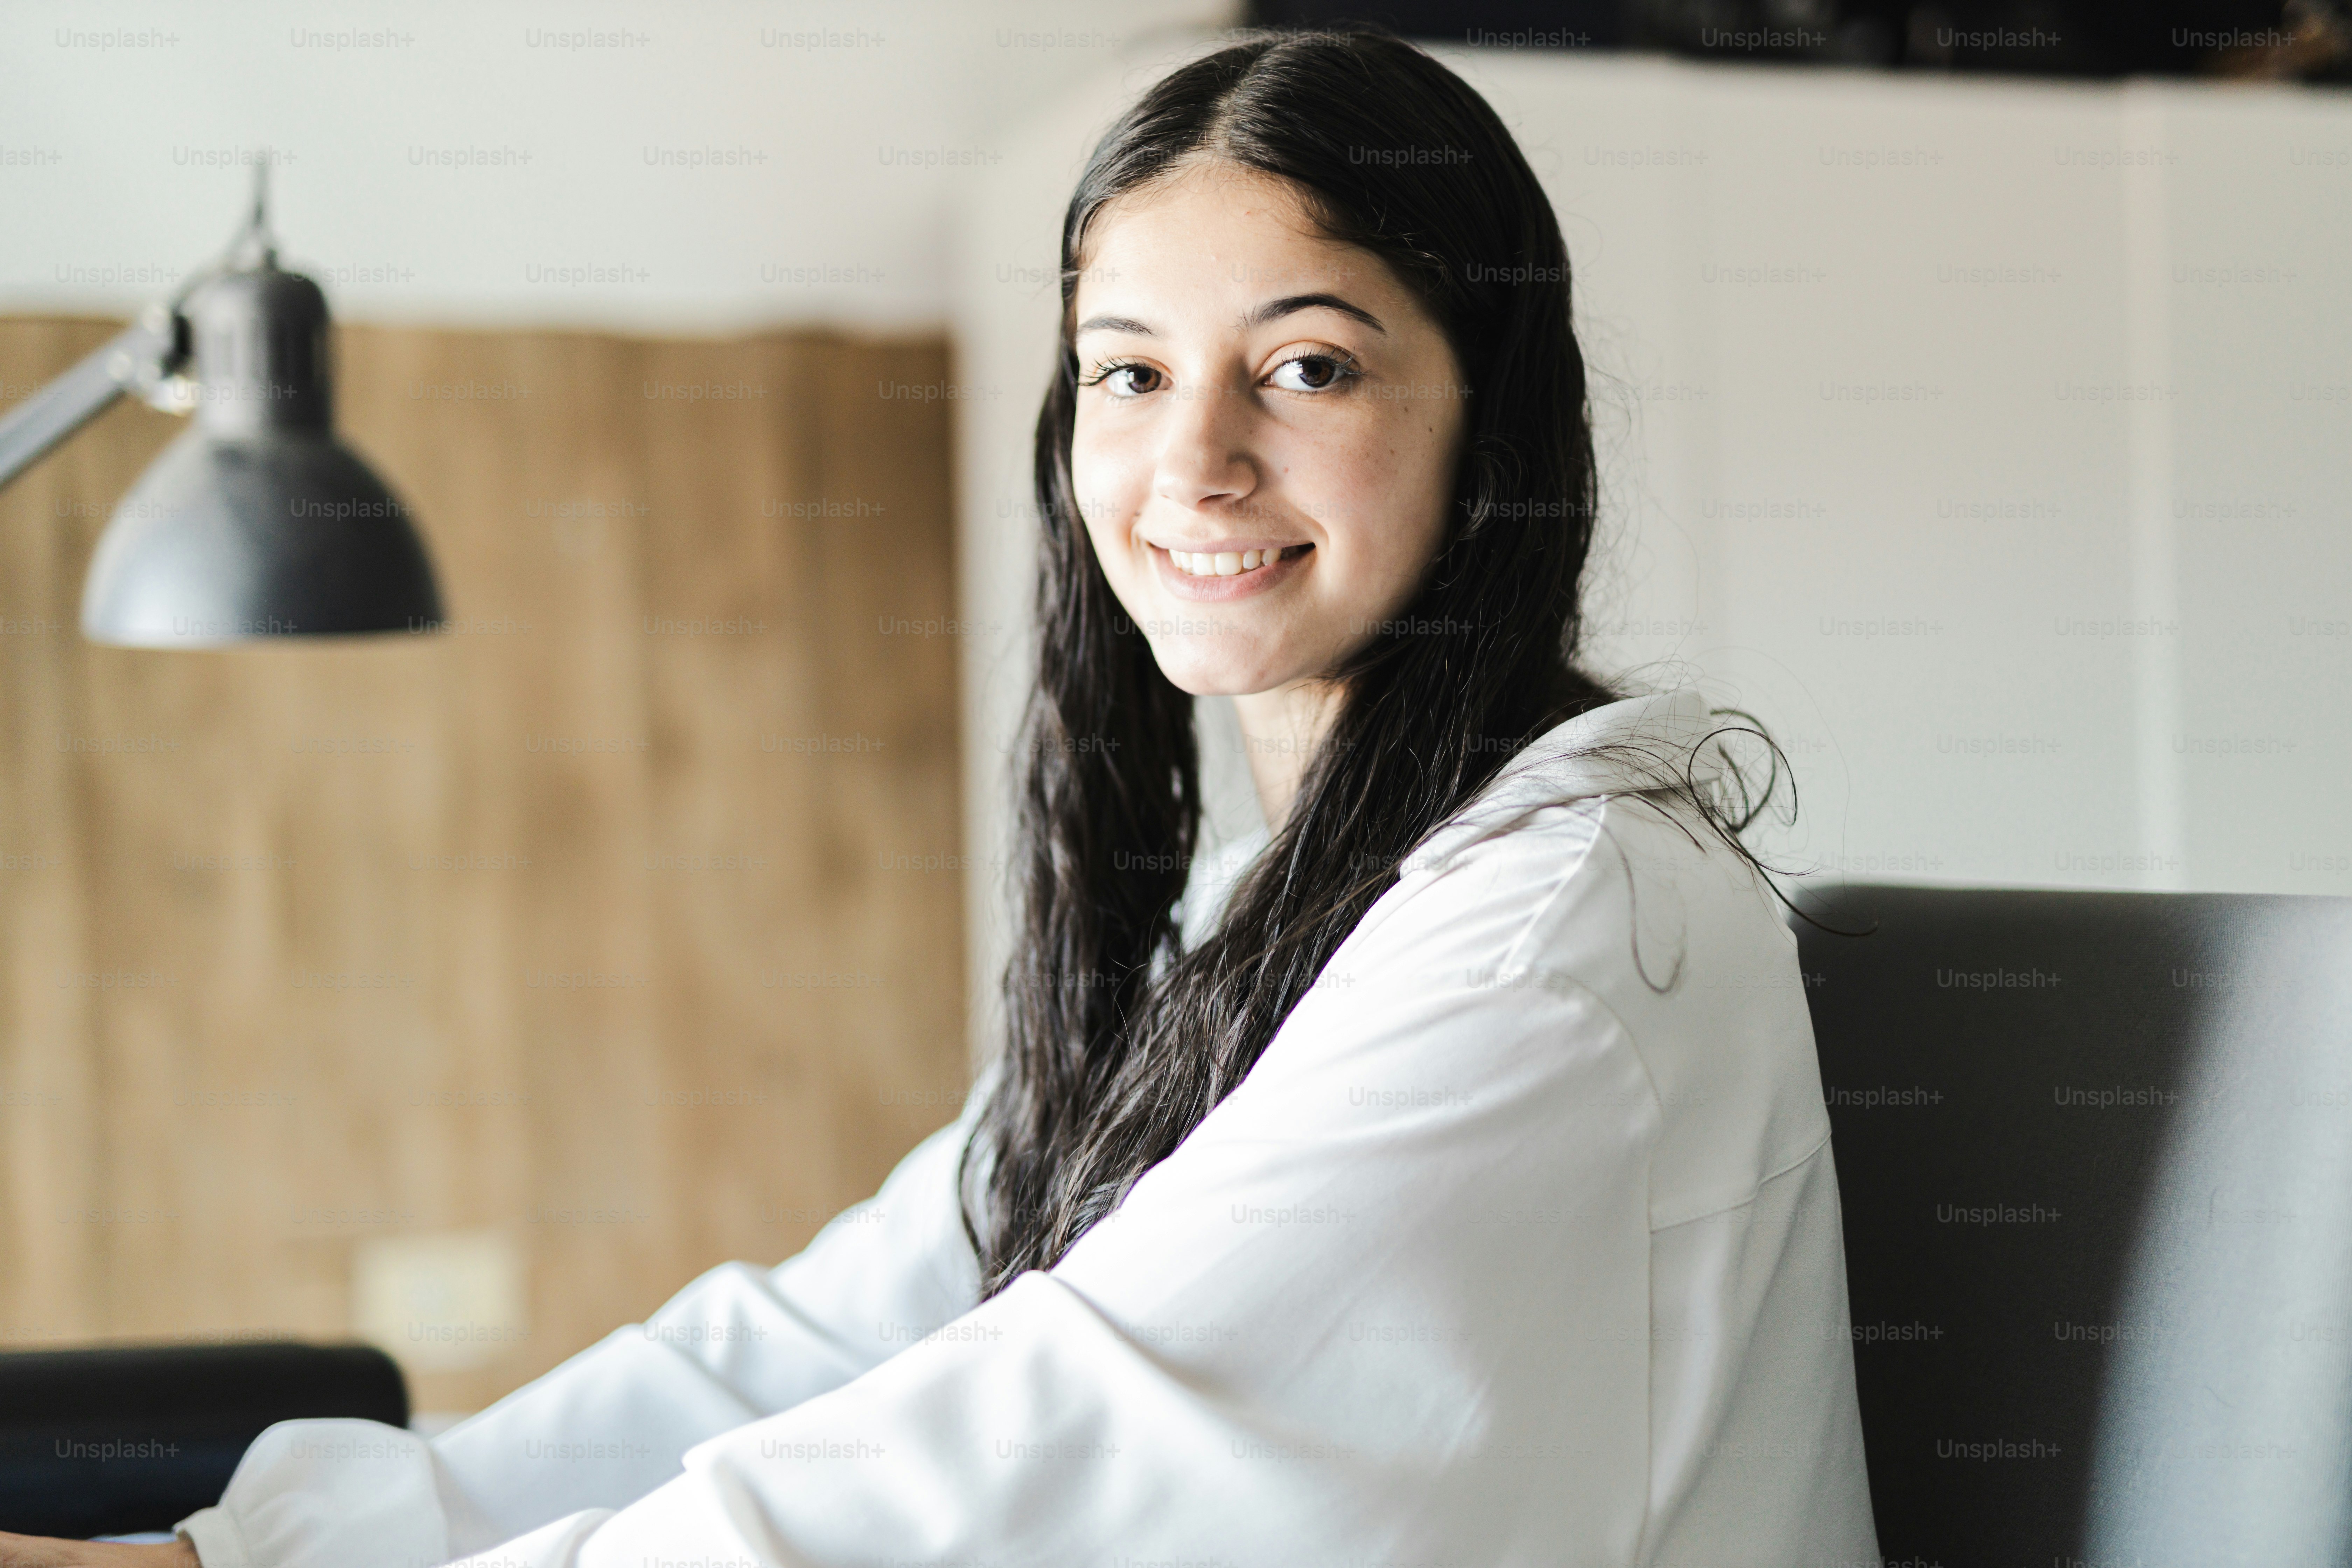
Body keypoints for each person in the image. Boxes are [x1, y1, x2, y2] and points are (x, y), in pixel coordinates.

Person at [2, 29, 1877, 1568]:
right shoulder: (1276, 910)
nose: (1196, 461)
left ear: (1497, 418)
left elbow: (1040, 1455)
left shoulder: (1555, 949)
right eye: (1129, 373)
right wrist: (229, 1558)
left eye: (1309, 365)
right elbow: (824, 1343)